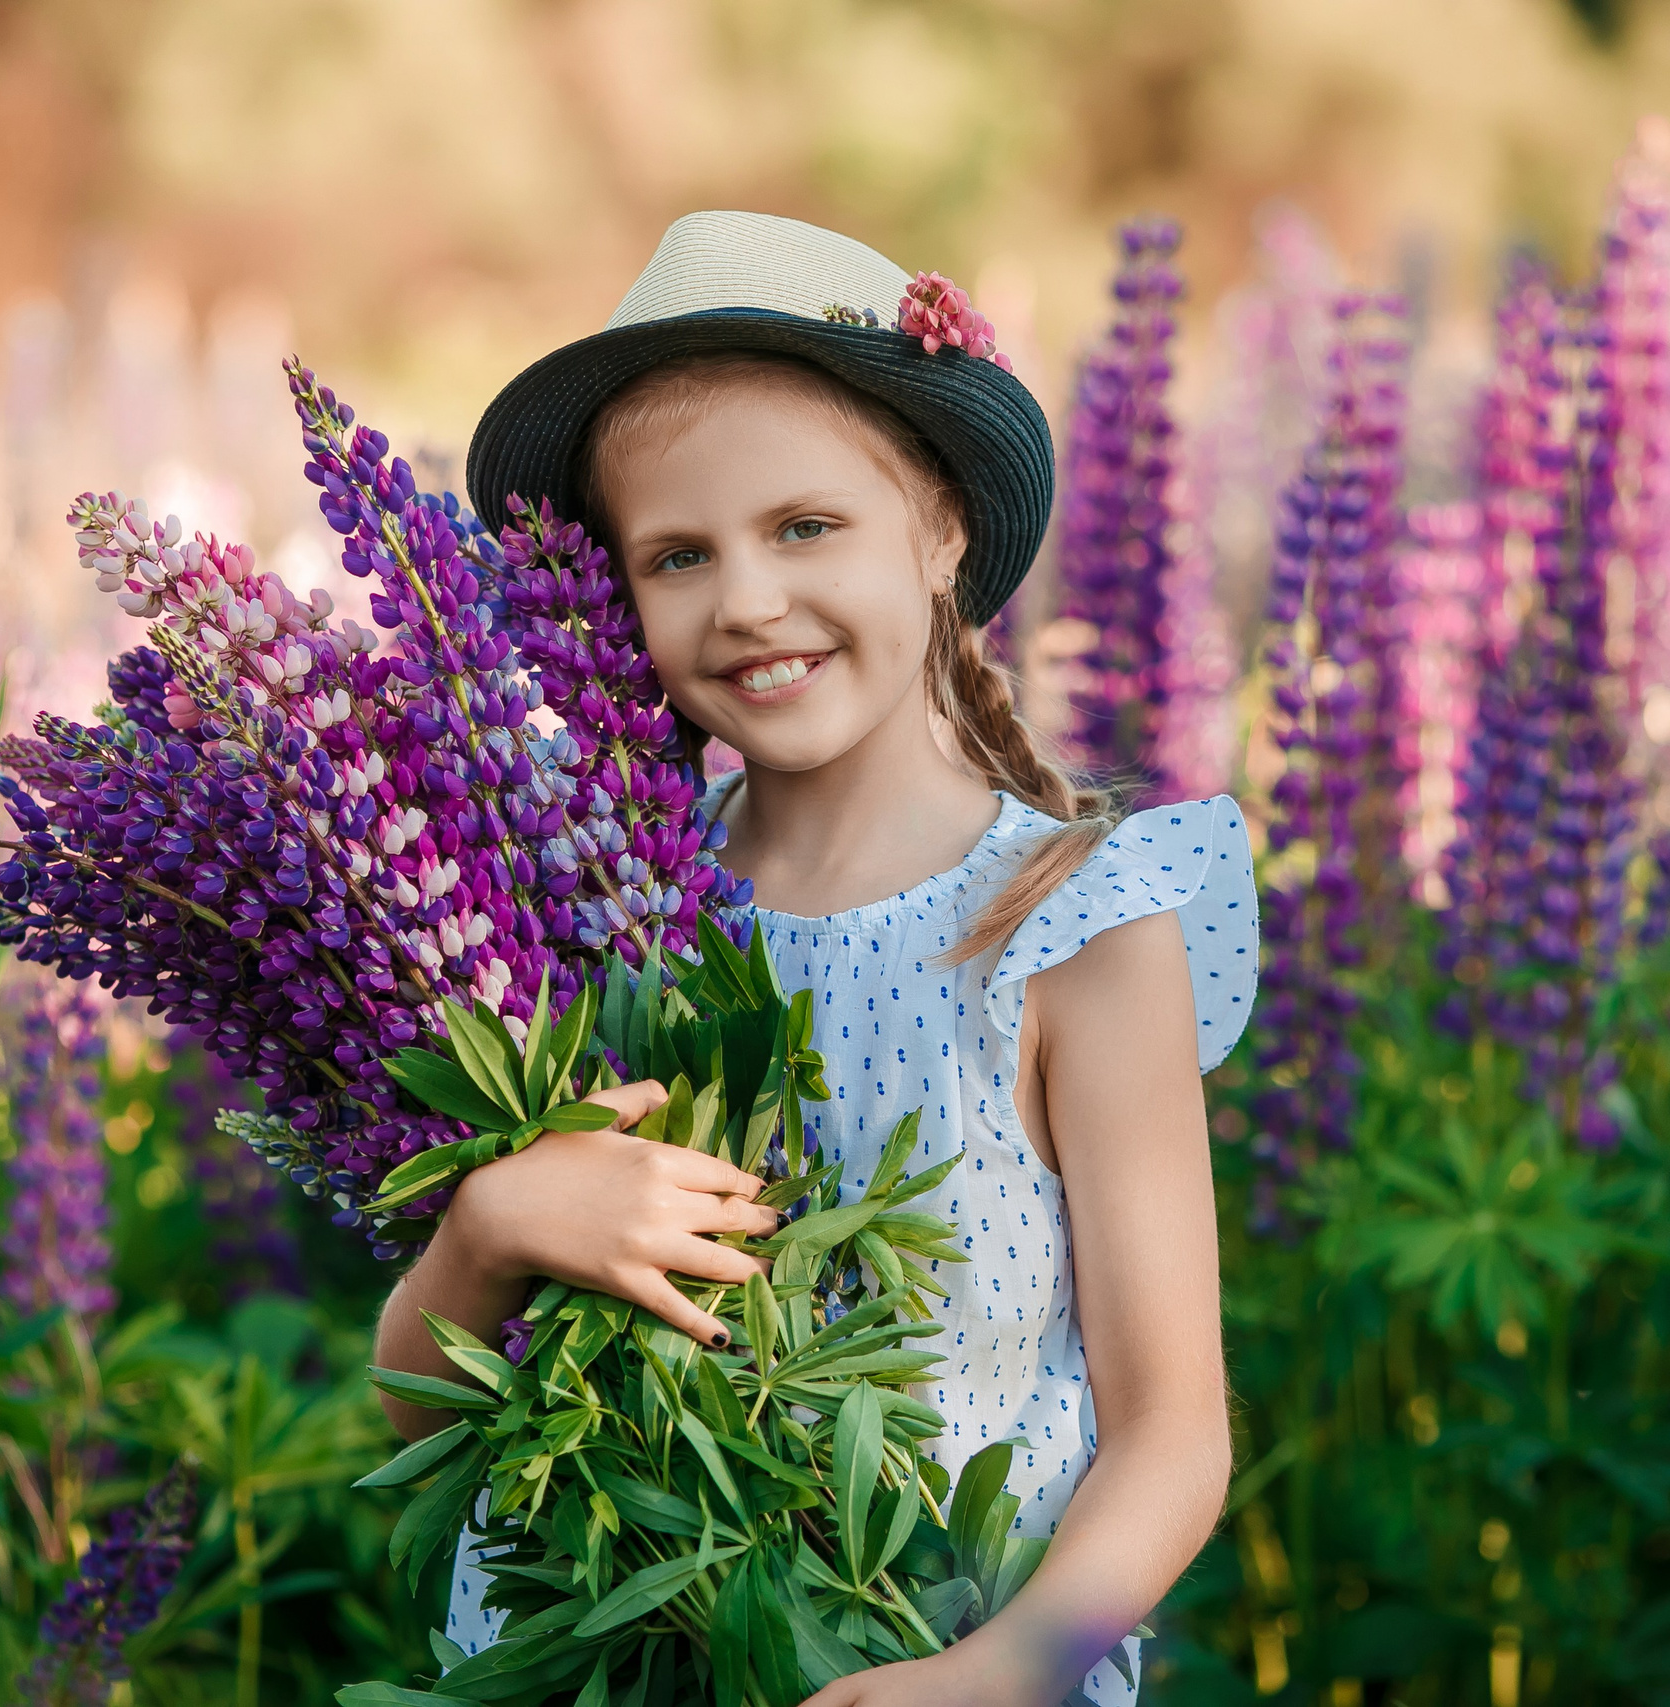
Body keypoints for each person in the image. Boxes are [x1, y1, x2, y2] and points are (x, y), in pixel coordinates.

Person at [372, 210, 1258, 1707]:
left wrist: (993, 1676)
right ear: (614, 602)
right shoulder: (594, 911)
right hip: (616, 1653)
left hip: (961, 1666)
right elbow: (413, 1412)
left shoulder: (1078, 922)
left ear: (940, 529)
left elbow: (1176, 1431)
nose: (748, 602)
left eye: (804, 527)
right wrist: (493, 1227)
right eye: (676, 556)